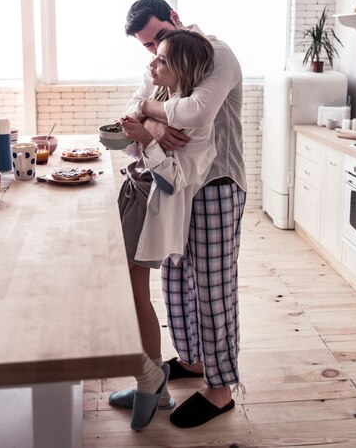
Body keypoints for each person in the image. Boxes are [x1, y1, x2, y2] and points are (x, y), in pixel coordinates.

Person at [121, 0, 247, 429]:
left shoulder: (217, 54)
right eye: (146, 48)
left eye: (157, 38)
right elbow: (136, 103)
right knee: (174, 278)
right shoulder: (161, 61)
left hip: (215, 185)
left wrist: (149, 115)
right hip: (178, 189)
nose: (153, 54)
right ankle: (193, 361)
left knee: (212, 288)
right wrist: (155, 125)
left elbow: (194, 111)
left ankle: (221, 387)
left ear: (175, 20)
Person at [109, 30, 217, 431]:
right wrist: (138, 130)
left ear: (181, 70)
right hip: (133, 196)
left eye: (161, 60)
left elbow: (175, 180)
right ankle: (154, 385)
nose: (152, 64)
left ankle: (150, 380)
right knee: (130, 294)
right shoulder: (166, 104)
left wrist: (145, 139)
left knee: (135, 296)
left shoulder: (199, 128)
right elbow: (135, 129)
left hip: (148, 210)